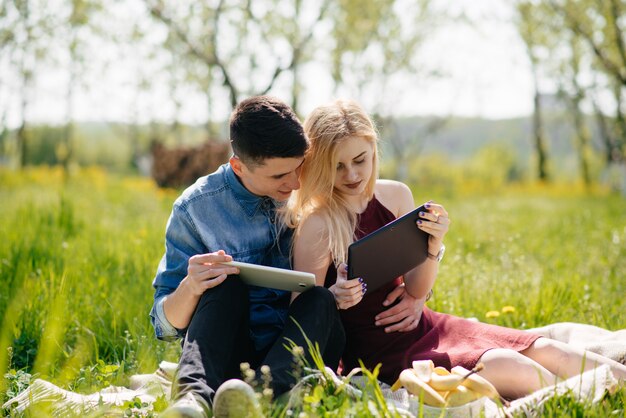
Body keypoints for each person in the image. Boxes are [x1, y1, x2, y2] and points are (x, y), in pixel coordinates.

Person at [285, 98, 626, 399]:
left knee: (548, 349)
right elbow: (304, 311)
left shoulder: (396, 196)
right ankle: (587, 399)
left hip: (428, 326)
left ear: (374, 149)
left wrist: (433, 245)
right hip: (378, 352)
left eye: (360, 159)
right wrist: (334, 295)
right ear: (319, 164)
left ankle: (610, 390)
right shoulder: (319, 223)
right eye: (337, 165)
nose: (352, 174)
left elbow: (417, 287)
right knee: (512, 366)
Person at [150, 96, 347, 418]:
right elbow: (164, 325)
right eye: (279, 176)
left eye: (299, 168)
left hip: (293, 348)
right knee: (222, 285)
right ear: (238, 166)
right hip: (227, 351)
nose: (296, 183)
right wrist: (191, 286)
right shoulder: (195, 209)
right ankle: (193, 402)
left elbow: (368, 189)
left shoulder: (308, 190)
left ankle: (258, 399)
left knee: (321, 299)